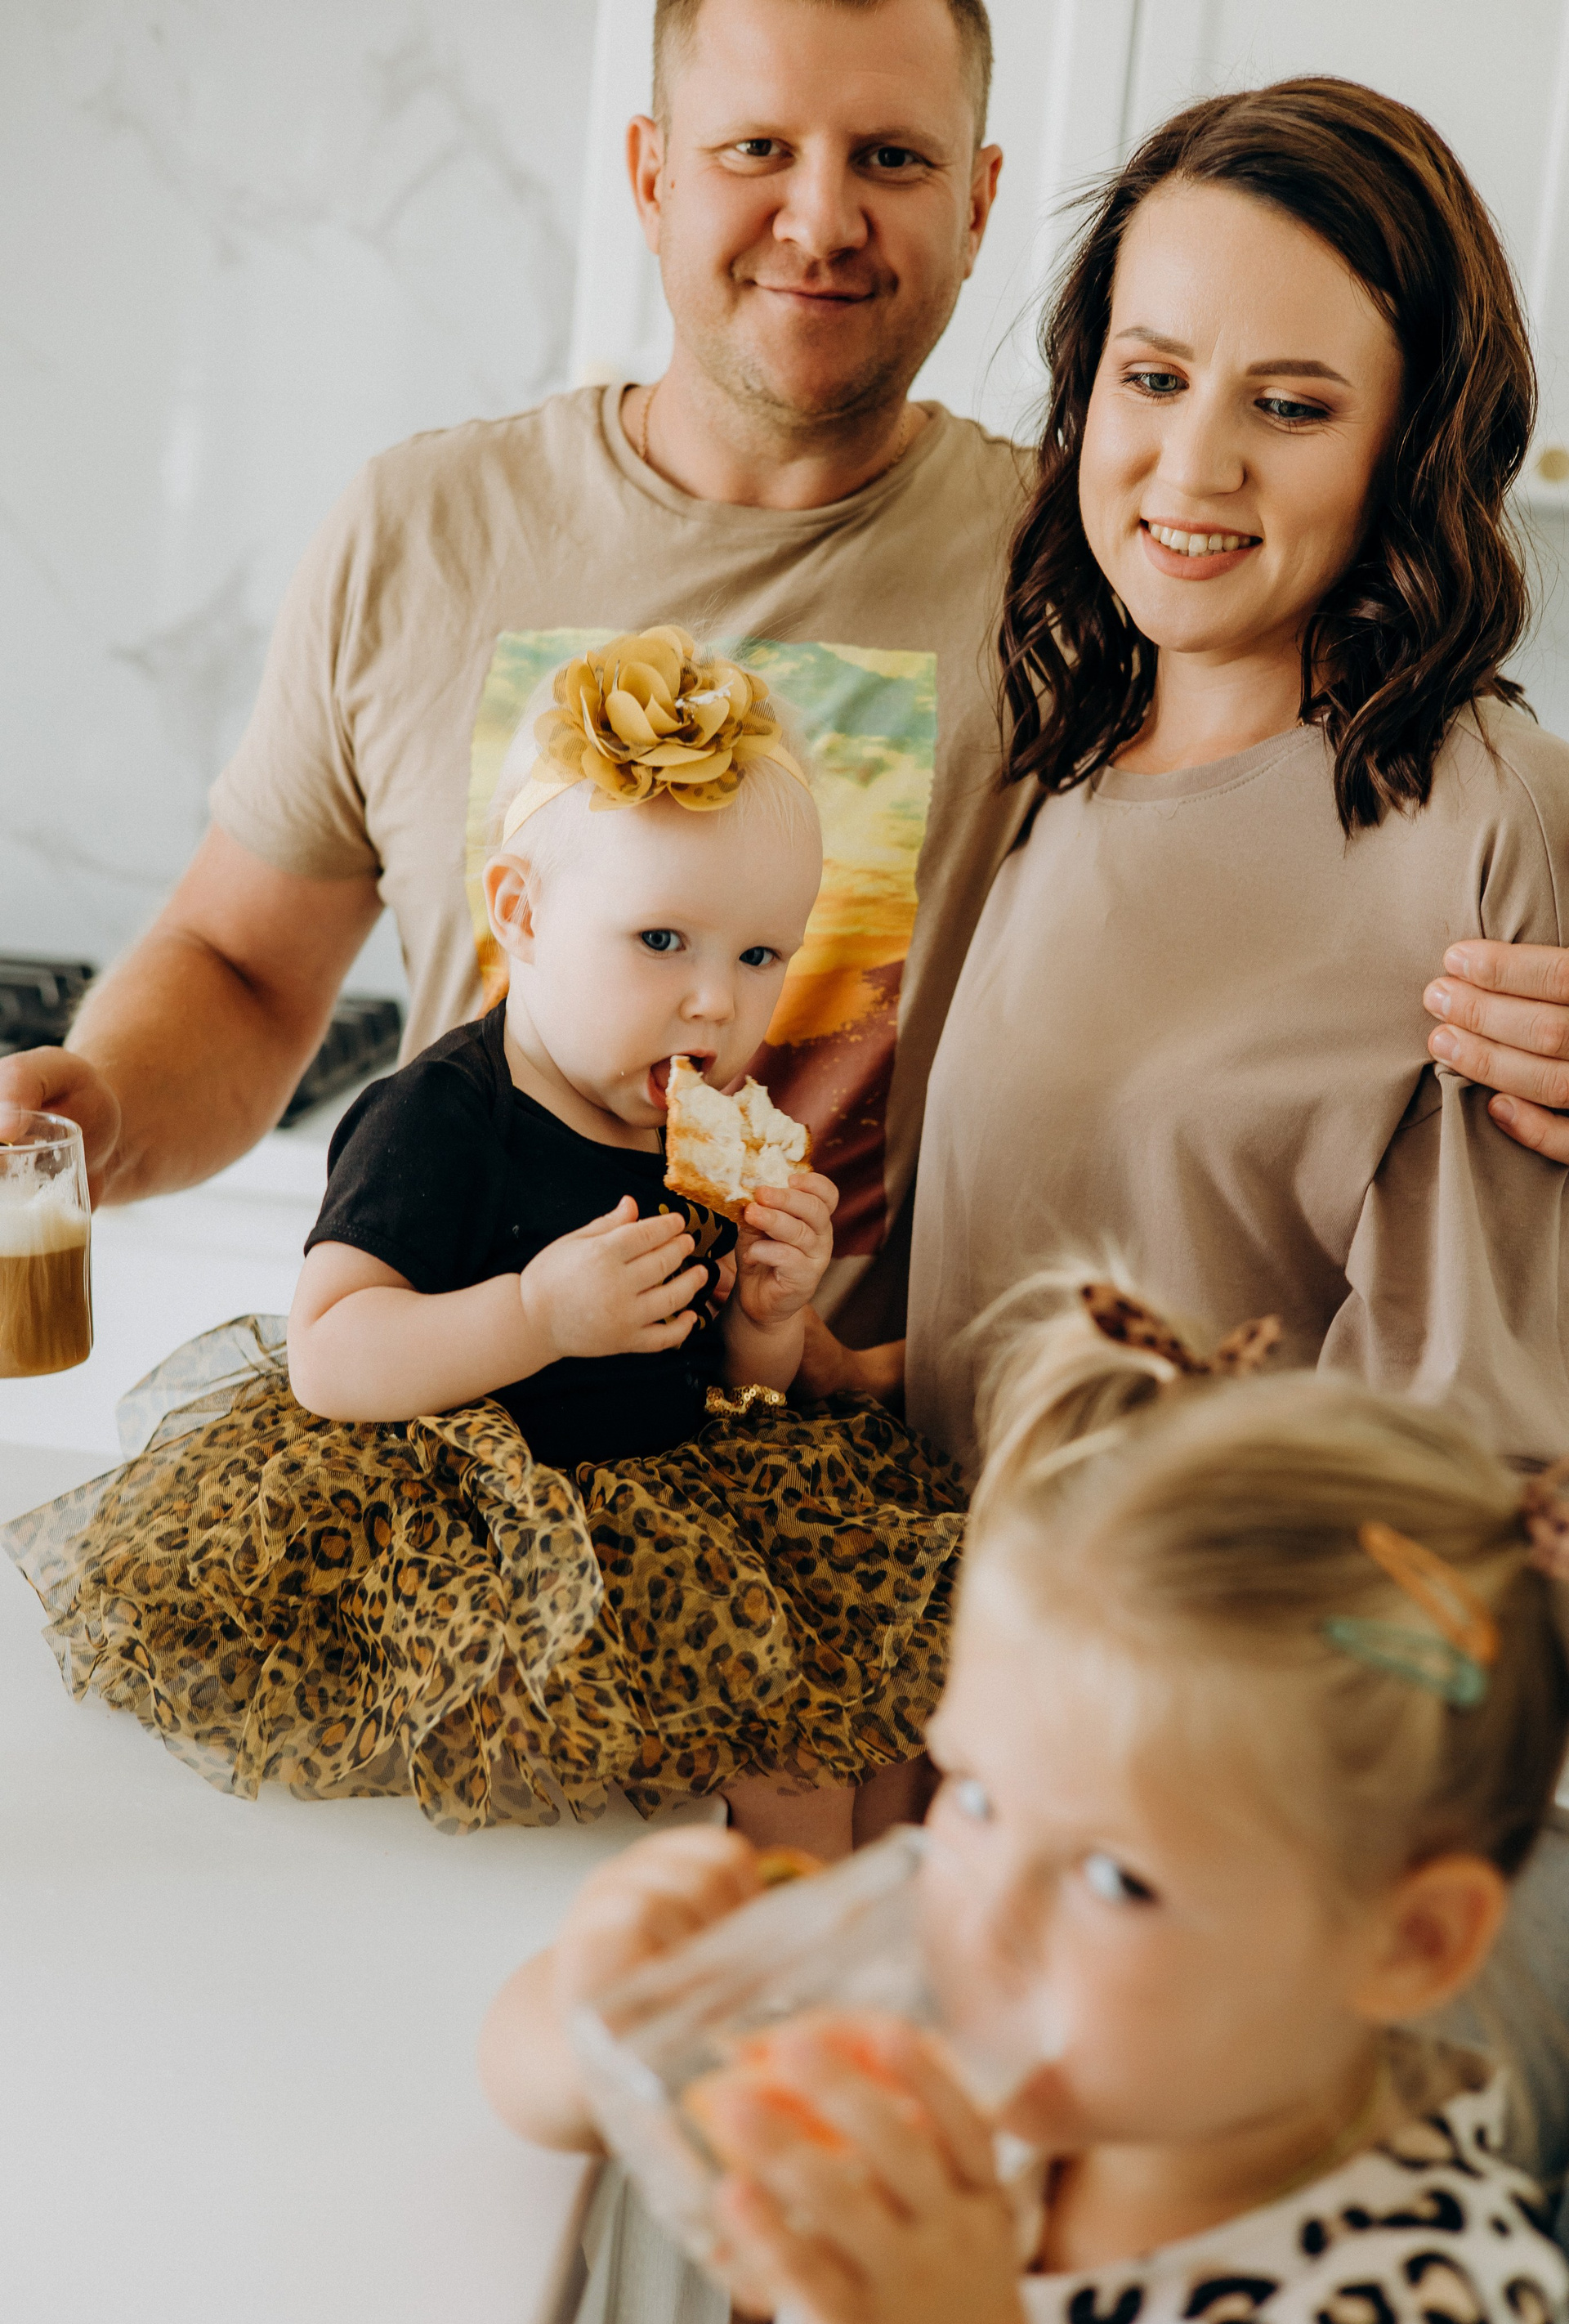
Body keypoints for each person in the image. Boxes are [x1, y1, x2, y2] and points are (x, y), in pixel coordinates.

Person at [3, 2, 1569, 1399]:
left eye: (892, 157)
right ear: (650, 172)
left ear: (978, 202)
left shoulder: (1100, 574)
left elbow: (1319, 878)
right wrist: (102, 1107)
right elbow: (242, 967)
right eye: (756, 147)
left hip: (844, 1508)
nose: (820, 220)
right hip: (458, 1458)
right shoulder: (421, 530)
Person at [2, 632, 964, 1850]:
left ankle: (794, 1945)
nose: (716, 1001)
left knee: (824, 1753)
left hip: (675, 1521)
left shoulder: (701, 1139)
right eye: (661, 941)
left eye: (760, 955)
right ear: (520, 912)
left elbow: (723, 1386)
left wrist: (768, 1316)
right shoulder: (445, 1117)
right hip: (467, 1542)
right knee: (580, 1817)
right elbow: (331, 1354)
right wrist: (536, 1315)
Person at [480, 1279, 1569, 2324]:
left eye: (1117, 1879)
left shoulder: (1449, 2305)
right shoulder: (956, 2021)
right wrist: (608, 2007)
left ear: (1410, 1941)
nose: (984, 1913)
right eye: (978, 1797)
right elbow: (539, 2095)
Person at [907, 78, 1569, 1475]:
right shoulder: (1053, 763)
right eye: (1153, 379)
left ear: (1415, 442)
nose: (1195, 465)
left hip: (1223, 1622)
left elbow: (1461, 1466)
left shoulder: (1488, 826)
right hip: (930, 1598)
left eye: (1289, 405)